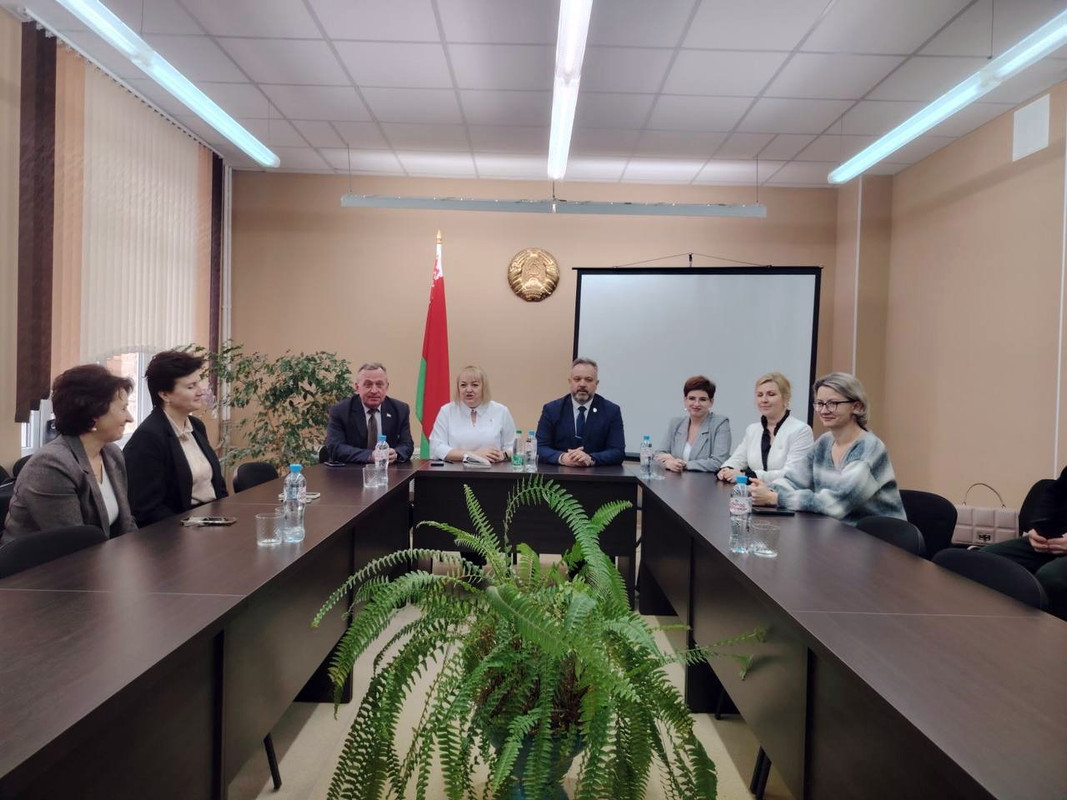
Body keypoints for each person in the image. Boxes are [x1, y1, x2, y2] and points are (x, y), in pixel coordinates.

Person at [749, 372, 905, 525]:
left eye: (833, 403)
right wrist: (767, 491)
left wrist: (775, 498)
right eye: (820, 403)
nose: (823, 411)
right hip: (838, 531)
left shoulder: (869, 448)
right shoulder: (824, 442)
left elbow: (835, 504)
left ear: (856, 406)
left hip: (877, 537)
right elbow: (794, 480)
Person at [3, 365, 137, 541]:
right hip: (49, 558)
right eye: (123, 409)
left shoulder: (112, 453)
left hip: (100, 553)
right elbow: (75, 543)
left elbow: (126, 523)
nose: (130, 418)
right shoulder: (51, 466)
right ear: (94, 415)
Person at [123, 350, 228, 526]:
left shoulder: (196, 426)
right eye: (191, 387)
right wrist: (197, 524)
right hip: (178, 530)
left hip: (212, 520)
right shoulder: (148, 438)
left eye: (198, 383)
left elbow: (217, 485)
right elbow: (146, 509)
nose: (200, 392)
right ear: (165, 395)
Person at [983, 470, 1067, 619]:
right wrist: (1037, 527)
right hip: (1053, 537)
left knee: (1051, 578)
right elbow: (1053, 494)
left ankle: (1050, 630)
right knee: (984, 559)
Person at [717, 372, 814, 483]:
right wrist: (726, 469)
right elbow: (737, 459)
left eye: (771, 394)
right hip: (754, 492)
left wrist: (748, 476)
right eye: (759, 395)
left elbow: (792, 473)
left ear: (785, 398)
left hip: (784, 493)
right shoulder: (752, 430)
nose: (764, 400)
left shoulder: (801, 430)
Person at [536, 357, 625, 467]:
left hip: (597, 475)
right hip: (559, 474)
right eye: (577, 379)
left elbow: (618, 452)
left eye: (588, 380)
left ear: (596, 383)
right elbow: (539, 447)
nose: (582, 384)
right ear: (570, 382)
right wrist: (563, 458)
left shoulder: (611, 411)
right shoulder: (552, 409)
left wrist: (590, 458)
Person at [323, 362, 414, 464]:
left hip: (388, 470)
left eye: (379, 385)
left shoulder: (400, 409)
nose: (374, 390)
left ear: (387, 386)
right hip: (350, 470)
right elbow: (335, 447)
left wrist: (396, 453)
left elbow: (407, 445)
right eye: (368, 385)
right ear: (357, 387)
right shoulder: (341, 411)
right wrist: (370, 456)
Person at [429, 365, 516, 463]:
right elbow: (436, 448)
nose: (468, 390)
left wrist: (503, 455)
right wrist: (473, 455)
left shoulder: (501, 411)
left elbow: (513, 446)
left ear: (484, 387)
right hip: (455, 470)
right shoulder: (446, 411)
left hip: (493, 469)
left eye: (474, 385)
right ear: (458, 389)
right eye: (463, 385)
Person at [655, 376, 731, 473]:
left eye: (702, 399)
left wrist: (684, 465)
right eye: (692, 398)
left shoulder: (720, 424)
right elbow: (659, 454)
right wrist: (668, 462)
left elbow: (718, 462)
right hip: (674, 480)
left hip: (705, 482)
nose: (696, 404)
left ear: (711, 402)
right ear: (685, 400)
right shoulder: (676, 423)